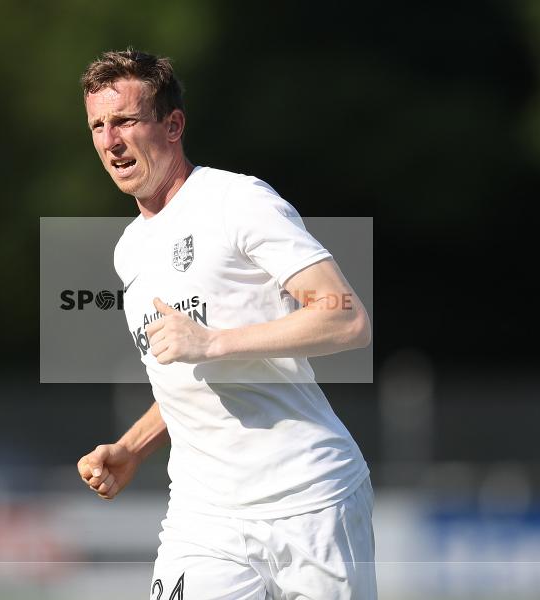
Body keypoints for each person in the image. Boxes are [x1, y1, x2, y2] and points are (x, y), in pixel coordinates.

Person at [76, 49, 375, 600]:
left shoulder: (238, 201)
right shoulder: (129, 251)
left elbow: (347, 317)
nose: (109, 140)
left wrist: (213, 341)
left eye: (125, 120)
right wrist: (133, 448)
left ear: (173, 124)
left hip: (309, 499)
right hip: (204, 517)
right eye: (98, 125)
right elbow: (184, 380)